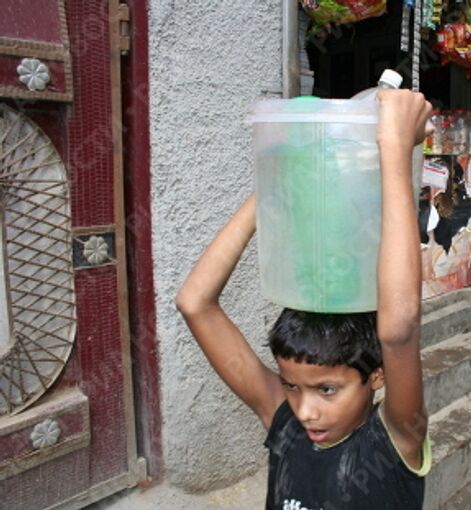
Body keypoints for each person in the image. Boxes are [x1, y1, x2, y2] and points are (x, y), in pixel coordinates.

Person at [176, 90, 433, 509]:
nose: (305, 410)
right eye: (291, 387)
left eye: (327, 390)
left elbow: (399, 327)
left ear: (378, 376)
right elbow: (194, 303)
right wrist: (278, 182)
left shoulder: (396, 441)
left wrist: (395, 149)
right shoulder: (285, 422)